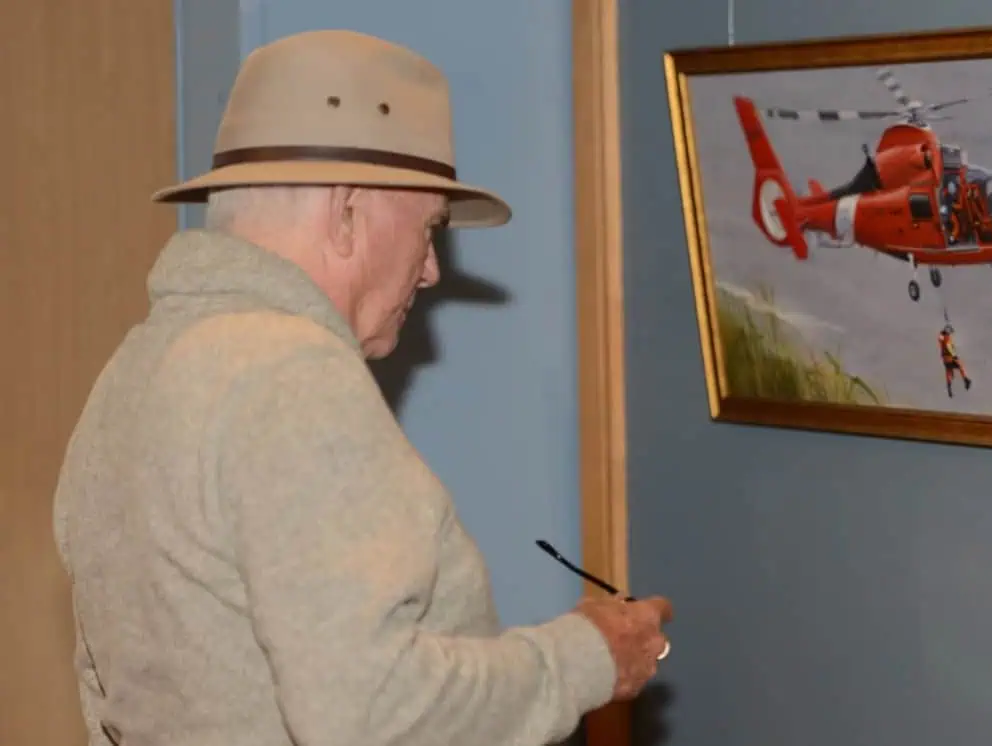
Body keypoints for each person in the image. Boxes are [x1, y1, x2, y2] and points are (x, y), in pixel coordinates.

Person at [51, 29, 672, 746]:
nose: (432, 268)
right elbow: (370, 711)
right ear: (347, 212)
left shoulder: (136, 369)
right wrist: (585, 659)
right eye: (430, 227)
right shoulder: (293, 377)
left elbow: (107, 697)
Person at [938, 323, 972, 397]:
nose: (950, 334)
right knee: (960, 366)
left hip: (945, 360)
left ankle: (949, 387)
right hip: (950, 357)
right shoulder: (947, 338)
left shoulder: (942, 338)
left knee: (949, 371)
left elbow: (940, 338)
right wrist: (955, 356)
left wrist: (942, 332)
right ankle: (966, 380)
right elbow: (949, 347)